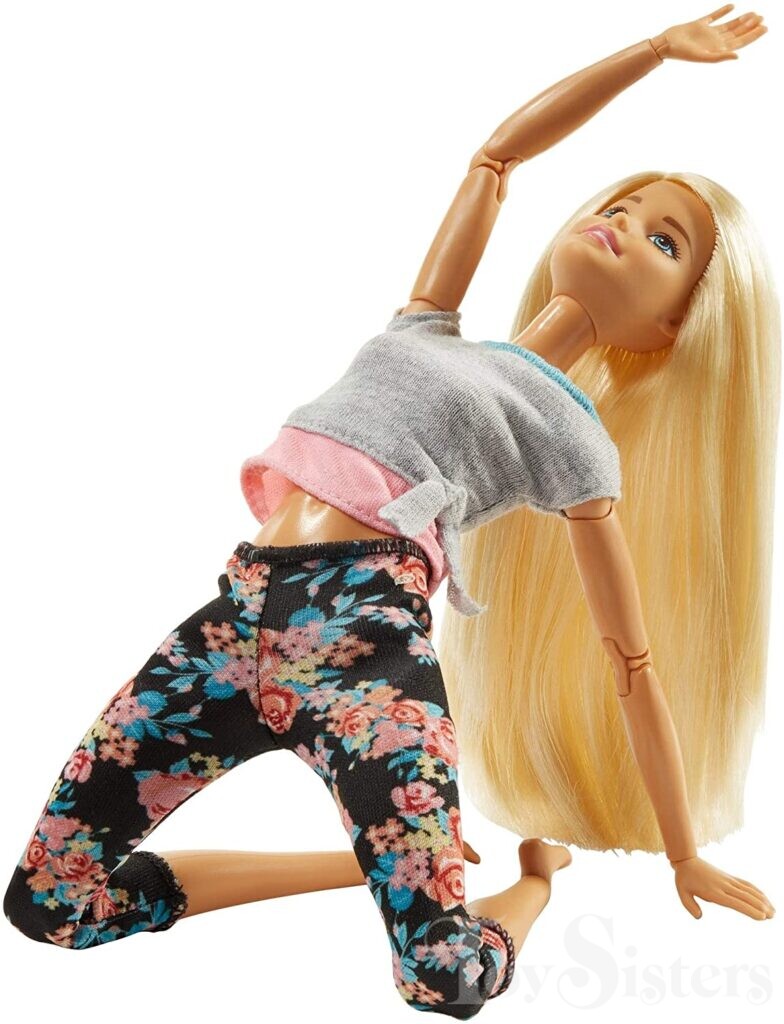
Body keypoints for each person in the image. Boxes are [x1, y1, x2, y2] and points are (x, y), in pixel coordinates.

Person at [3, 4, 775, 1020]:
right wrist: (652, 52)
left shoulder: (575, 441)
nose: (623, 224)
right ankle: (355, 864)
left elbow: (630, 661)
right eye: (625, 206)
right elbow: (497, 157)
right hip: (233, 623)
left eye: (663, 238)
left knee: (441, 978)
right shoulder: (426, 326)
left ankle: (529, 889)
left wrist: (681, 852)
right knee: (48, 904)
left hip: (368, 649)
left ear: (677, 321)